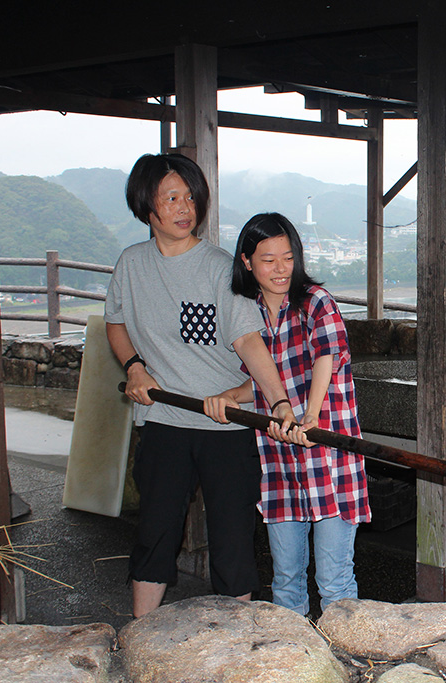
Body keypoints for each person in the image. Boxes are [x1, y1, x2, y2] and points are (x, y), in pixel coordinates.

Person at [105, 154, 295, 618]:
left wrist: (280, 401)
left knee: (232, 538)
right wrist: (134, 367)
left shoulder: (217, 267)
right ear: (145, 205)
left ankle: (236, 643)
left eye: (190, 196)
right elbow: (115, 323)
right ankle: (140, 635)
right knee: (155, 531)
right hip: (165, 419)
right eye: (171, 197)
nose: (184, 206)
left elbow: (248, 340)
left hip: (225, 424)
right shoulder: (131, 264)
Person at [204, 212, 370, 616]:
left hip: (329, 457)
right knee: (286, 578)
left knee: (333, 579)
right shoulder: (250, 313)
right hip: (280, 460)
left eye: (288, 257)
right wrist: (228, 396)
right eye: (268, 259)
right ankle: (293, 661)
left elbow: (326, 359)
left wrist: (310, 416)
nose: (280, 269)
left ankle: (345, 662)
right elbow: (257, 382)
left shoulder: (315, 302)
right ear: (246, 262)